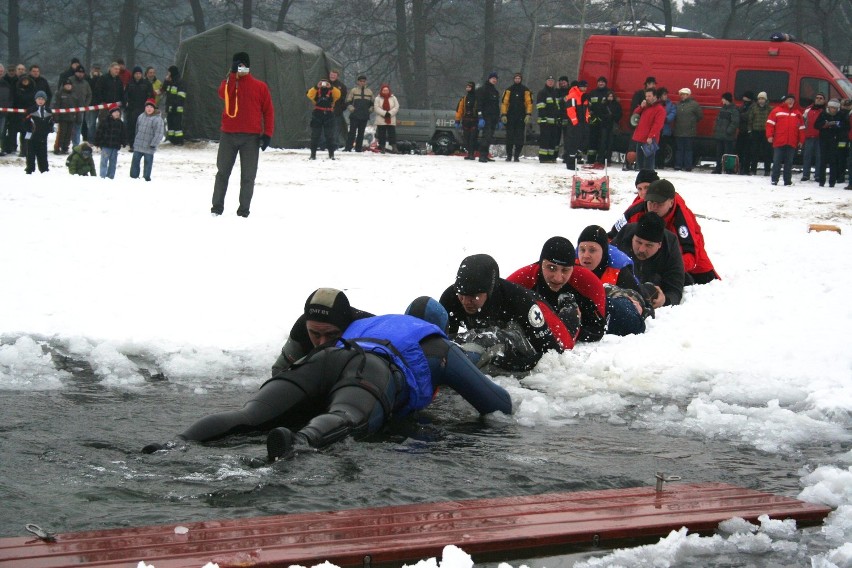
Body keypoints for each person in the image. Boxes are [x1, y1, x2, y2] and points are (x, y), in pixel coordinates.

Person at [143, 294, 512, 461]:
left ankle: (179, 441)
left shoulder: (369, 320)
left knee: (250, 415)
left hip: (328, 358)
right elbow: (496, 404)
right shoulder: (440, 346)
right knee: (346, 418)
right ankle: (298, 443)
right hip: (374, 372)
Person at [439, 253, 574, 373]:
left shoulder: (518, 301)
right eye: (462, 295)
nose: (466, 302)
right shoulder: (451, 298)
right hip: (505, 329)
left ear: (489, 290)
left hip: (541, 310)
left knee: (565, 338)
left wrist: (515, 364)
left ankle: (568, 303)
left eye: (474, 296)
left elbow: (552, 352)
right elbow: (442, 342)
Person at [609, 179, 718, 285]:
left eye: (659, 204)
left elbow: (691, 253)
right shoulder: (635, 210)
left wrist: (671, 268)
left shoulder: (681, 219)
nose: (654, 207)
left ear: (671, 202)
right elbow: (612, 236)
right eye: (651, 202)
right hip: (646, 257)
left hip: (688, 264)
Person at [506, 236, 607, 343]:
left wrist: (570, 326)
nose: (558, 278)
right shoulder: (521, 280)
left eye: (565, 270)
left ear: (573, 268)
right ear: (540, 264)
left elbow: (598, 331)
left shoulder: (589, 282)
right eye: (551, 268)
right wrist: (556, 326)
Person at [211, 51, 274, 218]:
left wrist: (267, 133)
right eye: (238, 65)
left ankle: (243, 210)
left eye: (243, 65)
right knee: (222, 172)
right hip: (228, 135)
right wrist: (232, 75)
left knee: (248, 176)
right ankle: (216, 208)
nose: (241, 68)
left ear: (248, 66)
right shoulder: (228, 83)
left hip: (251, 138)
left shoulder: (260, 87)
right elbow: (224, 94)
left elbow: (268, 111)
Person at [271, 288, 374, 376]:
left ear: (346, 328)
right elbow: (279, 370)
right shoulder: (302, 328)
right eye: (315, 334)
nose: (322, 343)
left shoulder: (368, 329)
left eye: (331, 334)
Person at [576, 225, 651, 336]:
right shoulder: (570, 266)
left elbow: (645, 305)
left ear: (604, 251)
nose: (586, 255)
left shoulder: (619, 268)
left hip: (635, 290)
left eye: (592, 250)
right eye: (582, 250)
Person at [612, 212, 685, 308]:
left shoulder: (670, 245)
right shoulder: (625, 234)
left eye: (649, 245)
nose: (641, 249)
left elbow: (675, 289)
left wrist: (665, 300)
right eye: (638, 242)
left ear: (659, 245)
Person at [766, 93, 804, 186]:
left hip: (792, 142)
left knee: (789, 163)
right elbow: (770, 124)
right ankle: (774, 179)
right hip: (779, 141)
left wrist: (801, 141)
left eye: (792, 99)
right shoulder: (776, 111)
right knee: (777, 162)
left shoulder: (797, 113)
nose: (791, 101)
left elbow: (801, 128)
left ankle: (787, 180)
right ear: (785, 101)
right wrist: (769, 136)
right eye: (789, 99)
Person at [813, 99, 850, 188]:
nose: (833, 109)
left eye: (835, 108)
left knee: (834, 161)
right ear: (828, 107)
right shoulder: (823, 114)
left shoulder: (841, 115)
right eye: (831, 108)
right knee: (823, 161)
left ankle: (832, 182)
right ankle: (822, 181)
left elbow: (847, 126)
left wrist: (838, 124)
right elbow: (816, 125)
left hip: (835, 140)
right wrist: (825, 125)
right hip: (824, 140)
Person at [629, 88, 665, 171]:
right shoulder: (646, 107)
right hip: (640, 138)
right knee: (640, 162)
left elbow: (657, 125)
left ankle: (648, 180)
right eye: (646, 96)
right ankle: (642, 179)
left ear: (655, 97)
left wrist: (651, 136)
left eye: (649, 96)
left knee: (648, 163)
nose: (647, 98)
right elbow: (635, 114)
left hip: (649, 139)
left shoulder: (660, 109)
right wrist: (641, 107)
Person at [500, 72, 533, 162]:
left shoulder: (525, 90)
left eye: (519, 78)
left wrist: (528, 114)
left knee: (520, 137)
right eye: (516, 78)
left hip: (521, 116)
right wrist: (503, 114)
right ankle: (509, 155)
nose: (517, 80)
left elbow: (529, 103)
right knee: (509, 136)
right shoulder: (509, 90)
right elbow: (504, 103)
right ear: (514, 79)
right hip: (510, 116)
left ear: (521, 79)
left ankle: (516, 156)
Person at [130, 99, 165, 181]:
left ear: (154, 108)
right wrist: (135, 141)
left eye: (151, 107)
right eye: (147, 107)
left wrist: (153, 144)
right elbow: (137, 130)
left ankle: (146, 178)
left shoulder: (158, 119)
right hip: (138, 145)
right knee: (135, 162)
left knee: (148, 163)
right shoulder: (141, 116)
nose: (149, 109)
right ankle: (133, 178)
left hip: (149, 147)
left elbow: (159, 133)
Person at [306, 78, 341, 160]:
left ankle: (331, 155)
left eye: (326, 83)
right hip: (317, 114)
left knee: (330, 136)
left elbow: (338, 95)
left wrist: (331, 87)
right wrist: (316, 87)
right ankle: (313, 155)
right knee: (315, 135)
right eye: (322, 83)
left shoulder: (332, 91)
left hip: (329, 115)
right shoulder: (316, 90)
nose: (324, 84)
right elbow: (309, 95)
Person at [124, 66, 154, 151]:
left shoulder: (146, 84)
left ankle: (143, 144)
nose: (138, 75)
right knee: (132, 127)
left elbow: (151, 96)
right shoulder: (130, 84)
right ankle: (132, 144)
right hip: (132, 109)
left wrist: (149, 106)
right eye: (136, 73)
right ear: (133, 74)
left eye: (139, 73)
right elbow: (125, 95)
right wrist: (126, 102)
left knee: (143, 128)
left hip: (143, 109)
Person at [22, 90, 53, 174]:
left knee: (43, 154)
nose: (40, 101)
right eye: (39, 99)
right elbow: (25, 121)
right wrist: (28, 130)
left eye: (42, 99)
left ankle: (44, 169)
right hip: (32, 136)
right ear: (35, 99)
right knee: (30, 154)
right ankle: (30, 169)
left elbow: (51, 122)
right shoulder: (30, 110)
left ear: (45, 100)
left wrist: (49, 129)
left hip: (43, 136)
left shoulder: (48, 111)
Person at [673, 87, 702, 172]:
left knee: (688, 150)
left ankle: (688, 166)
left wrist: (692, 123)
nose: (682, 96)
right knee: (679, 150)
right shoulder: (677, 105)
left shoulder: (694, 104)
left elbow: (700, 116)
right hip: (679, 131)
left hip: (690, 132)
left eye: (684, 94)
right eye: (681, 94)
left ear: (688, 95)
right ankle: (678, 165)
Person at [562, 79, 589, 169]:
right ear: (579, 87)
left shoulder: (583, 97)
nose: (584, 89)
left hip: (582, 123)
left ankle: (574, 159)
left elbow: (586, 111)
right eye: (583, 87)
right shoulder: (573, 95)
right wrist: (575, 122)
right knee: (572, 143)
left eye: (585, 87)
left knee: (582, 142)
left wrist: (586, 121)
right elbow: (570, 110)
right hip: (574, 124)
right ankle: (570, 164)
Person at [94, 103, 126, 179]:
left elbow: (123, 134)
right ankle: (103, 175)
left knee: (113, 162)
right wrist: (97, 142)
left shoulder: (121, 123)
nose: (117, 113)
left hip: (115, 146)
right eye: (115, 112)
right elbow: (99, 132)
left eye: (118, 112)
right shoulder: (105, 121)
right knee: (104, 161)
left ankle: (111, 176)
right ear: (111, 113)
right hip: (105, 146)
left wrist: (124, 142)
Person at [586, 76, 612, 167]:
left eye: (602, 82)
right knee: (592, 140)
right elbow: (588, 106)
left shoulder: (608, 93)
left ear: (605, 83)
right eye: (599, 82)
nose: (601, 83)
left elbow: (611, 105)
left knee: (603, 141)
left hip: (604, 121)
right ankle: (590, 159)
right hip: (594, 120)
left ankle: (601, 159)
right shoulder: (592, 93)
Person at [711, 92, 739, 174]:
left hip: (728, 136)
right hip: (720, 135)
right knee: (719, 153)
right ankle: (718, 168)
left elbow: (735, 122)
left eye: (723, 98)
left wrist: (729, 131)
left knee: (728, 153)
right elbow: (718, 120)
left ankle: (729, 169)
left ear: (726, 99)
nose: (722, 100)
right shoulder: (723, 109)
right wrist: (716, 129)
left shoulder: (734, 110)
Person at [745, 91, 772, 176]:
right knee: (754, 152)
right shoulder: (754, 108)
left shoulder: (770, 109)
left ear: (765, 99)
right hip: (755, 132)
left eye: (763, 98)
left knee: (767, 152)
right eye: (759, 98)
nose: (761, 100)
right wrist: (750, 130)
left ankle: (767, 170)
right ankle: (753, 170)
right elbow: (750, 120)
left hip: (766, 132)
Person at [475, 72, 500, 163]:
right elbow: (479, 104)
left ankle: (486, 155)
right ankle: (482, 155)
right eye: (493, 78)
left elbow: (497, 106)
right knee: (486, 136)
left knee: (490, 137)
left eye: (496, 79)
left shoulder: (495, 92)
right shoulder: (483, 90)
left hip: (493, 117)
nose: (494, 80)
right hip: (486, 117)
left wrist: (498, 119)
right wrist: (480, 116)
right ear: (489, 79)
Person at [344, 74, 373, 152]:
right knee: (352, 132)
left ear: (366, 82)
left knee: (361, 132)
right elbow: (348, 101)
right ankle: (348, 147)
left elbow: (373, 103)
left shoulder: (369, 92)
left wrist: (370, 110)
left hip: (364, 115)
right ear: (358, 82)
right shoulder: (354, 90)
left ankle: (358, 148)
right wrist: (351, 109)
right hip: (355, 115)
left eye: (364, 81)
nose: (362, 83)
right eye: (361, 81)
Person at [801, 93, 826, 182]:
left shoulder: (825, 110)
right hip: (809, 136)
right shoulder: (808, 109)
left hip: (820, 137)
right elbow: (802, 121)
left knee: (819, 156)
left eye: (821, 98)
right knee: (807, 156)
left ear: (824, 100)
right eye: (817, 98)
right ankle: (805, 175)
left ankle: (818, 175)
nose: (819, 99)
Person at [535, 76, 561, 163]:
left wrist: (558, 117)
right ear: (546, 82)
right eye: (549, 81)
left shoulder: (554, 93)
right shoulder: (542, 92)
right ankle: (543, 157)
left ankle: (551, 157)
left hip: (554, 121)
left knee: (552, 139)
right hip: (545, 121)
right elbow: (540, 106)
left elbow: (557, 107)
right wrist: (543, 119)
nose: (550, 82)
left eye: (552, 81)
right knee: (545, 139)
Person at [51, 78, 79, 155]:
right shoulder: (59, 94)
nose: (68, 86)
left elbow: (77, 106)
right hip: (62, 118)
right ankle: (57, 148)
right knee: (61, 133)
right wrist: (56, 116)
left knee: (69, 134)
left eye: (69, 85)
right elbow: (56, 105)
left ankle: (65, 147)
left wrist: (77, 116)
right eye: (66, 85)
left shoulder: (74, 94)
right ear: (63, 86)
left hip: (71, 117)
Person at [13, 73, 36, 157]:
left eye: (26, 80)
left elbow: (35, 101)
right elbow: (15, 100)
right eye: (24, 80)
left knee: (30, 131)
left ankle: (29, 149)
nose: (25, 82)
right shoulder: (17, 89)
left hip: (31, 113)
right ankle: (23, 150)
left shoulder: (33, 89)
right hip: (19, 114)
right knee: (23, 132)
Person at [455, 81, 479, 160]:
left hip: (474, 121)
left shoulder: (477, 98)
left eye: (469, 87)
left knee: (473, 138)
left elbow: (480, 109)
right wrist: (457, 120)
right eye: (467, 87)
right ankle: (469, 153)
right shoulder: (464, 99)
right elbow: (459, 110)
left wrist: (481, 118)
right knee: (466, 139)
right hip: (466, 121)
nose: (467, 88)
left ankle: (472, 154)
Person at [162, 66, 186, 145]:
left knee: (177, 125)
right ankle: (172, 139)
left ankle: (179, 140)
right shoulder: (170, 81)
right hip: (170, 107)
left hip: (177, 108)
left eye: (169, 72)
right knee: (170, 123)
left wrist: (175, 105)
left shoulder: (179, 82)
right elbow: (164, 89)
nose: (168, 74)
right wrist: (166, 81)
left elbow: (181, 95)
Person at [69, 65, 91, 147]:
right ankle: (64, 145)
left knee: (78, 127)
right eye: (79, 72)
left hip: (81, 109)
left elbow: (89, 94)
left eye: (82, 73)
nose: (80, 74)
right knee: (68, 128)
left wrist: (86, 105)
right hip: (69, 109)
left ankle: (76, 145)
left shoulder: (85, 83)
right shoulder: (69, 80)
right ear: (75, 72)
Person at [373, 83, 399, 154]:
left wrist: (390, 113)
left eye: (386, 90)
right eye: (384, 90)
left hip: (391, 118)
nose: (385, 91)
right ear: (381, 91)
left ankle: (394, 147)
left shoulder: (393, 98)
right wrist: (384, 113)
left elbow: (396, 107)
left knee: (392, 134)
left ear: (389, 90)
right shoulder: (377, 98)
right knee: (381, 134)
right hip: (381, 119)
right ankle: (382, 148)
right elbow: (376, 107)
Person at [656, 87, 676, 169]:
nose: (666, 96)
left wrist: (666, 118)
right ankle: (654, 163)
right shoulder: (656, 103)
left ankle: (661, 164)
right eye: (664, 95)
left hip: (665, 129)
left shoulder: (670, 104)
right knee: (655, 148)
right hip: (656, 129)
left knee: (662, 147)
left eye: (666, 94)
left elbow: (673, 113)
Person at [735, 91, 754, 175]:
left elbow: (747, 116)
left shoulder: (753, 106)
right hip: (742, 130)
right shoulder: (744, 105)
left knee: (747, 151)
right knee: (739, 150)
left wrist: (740, 115)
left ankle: (745, 168)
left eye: (745, 97)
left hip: (749, 131)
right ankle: (739, 167)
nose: (743, 99)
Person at [328, 69, 348, 149]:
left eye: (334, 75)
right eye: (331, 74)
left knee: (335, 128)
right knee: (325, 128)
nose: (332, 76)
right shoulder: (325, 84)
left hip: (337, 111)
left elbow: (344, 99)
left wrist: (341, 108)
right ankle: (324, 144)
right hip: (325, 110)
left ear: (337, 76)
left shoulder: (342, 86)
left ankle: (334, 144)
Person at [0, 64, 10, 156]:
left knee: (1, 132)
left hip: (3, 113)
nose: (0, 72)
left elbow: (10, 98)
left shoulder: (6, 83)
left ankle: (1, 149)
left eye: (1, 71)